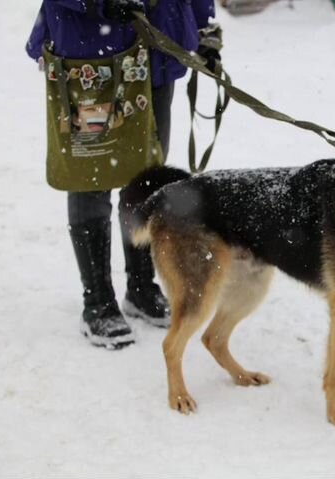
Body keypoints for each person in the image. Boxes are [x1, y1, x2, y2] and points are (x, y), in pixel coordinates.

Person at [26, 0, 219, 349]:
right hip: (91, 57)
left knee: (146, 176)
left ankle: (142, 287)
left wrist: (204, 27)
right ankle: (97, 300)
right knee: (91, 177)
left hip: (157, 45)